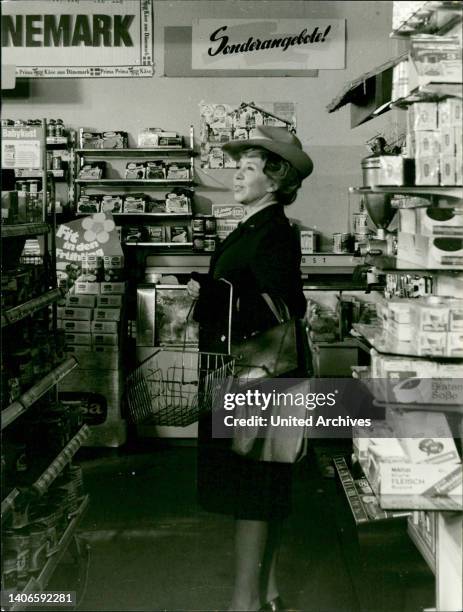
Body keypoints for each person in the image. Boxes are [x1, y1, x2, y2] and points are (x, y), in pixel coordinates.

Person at [187, 126, 313, 612]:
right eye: (237, 166)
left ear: (275, 180)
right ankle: (271, 592)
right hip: (252, 374)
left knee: (253, 490)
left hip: (261, 376)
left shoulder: (275, 232)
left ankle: (244, 603)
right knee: (261, 484)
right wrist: (213, 286)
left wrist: (218, 293)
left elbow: (285, 304)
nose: (237, 174)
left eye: (249, 168)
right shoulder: (252, 226)